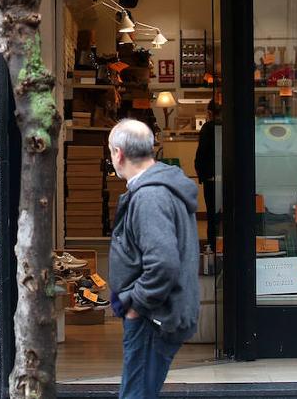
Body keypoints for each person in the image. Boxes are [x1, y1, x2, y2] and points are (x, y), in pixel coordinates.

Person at [107, 119, 201, 399]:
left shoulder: (150, 196)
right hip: (157, 313)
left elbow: (163, 264)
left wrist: (136, 304)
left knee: (136, 394)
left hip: (152, 317)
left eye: (110, 151)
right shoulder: (160, 187)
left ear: (119, 154)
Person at [193, 101, 218, 226]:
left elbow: (201, 153)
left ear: (210, 113)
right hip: (229, 175)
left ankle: (212, 237)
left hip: (211, 175)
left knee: (212, 212)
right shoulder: (232, 126)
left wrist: (201, 174)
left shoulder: (207, 128)